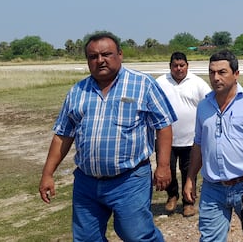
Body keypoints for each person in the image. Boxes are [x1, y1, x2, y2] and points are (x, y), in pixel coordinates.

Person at [39, 31, 176, 241]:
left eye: (106, 54)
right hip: (87, 182)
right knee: (86, 238)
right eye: (93, 57)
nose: (100, 60)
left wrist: (164, 166)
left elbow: (163, 126)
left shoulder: (142, 84)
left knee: (137, 235)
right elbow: (63, 135)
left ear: (120, 54)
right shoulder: (77, 91)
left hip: (130, 179)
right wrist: (48, 174)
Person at [183, 50, 243, 241]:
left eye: (222, 72)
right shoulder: (204, 106)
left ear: (236, 74)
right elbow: (199, 143)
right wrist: (190, 178)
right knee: (210, 238)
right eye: (212, 72)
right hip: (212, 188)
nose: (215, 77)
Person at [156, 52, 212, 217]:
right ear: (170, 67)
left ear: (187, 65)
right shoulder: (160, 82)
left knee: (189, 171)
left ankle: (188, 202)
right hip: (166, 141)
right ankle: (172, 196)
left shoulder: (197, 83)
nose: (179, 69)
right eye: (175, 66)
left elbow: (210, 101)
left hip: (191, 139)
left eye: (182, 65)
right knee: (169, 170)